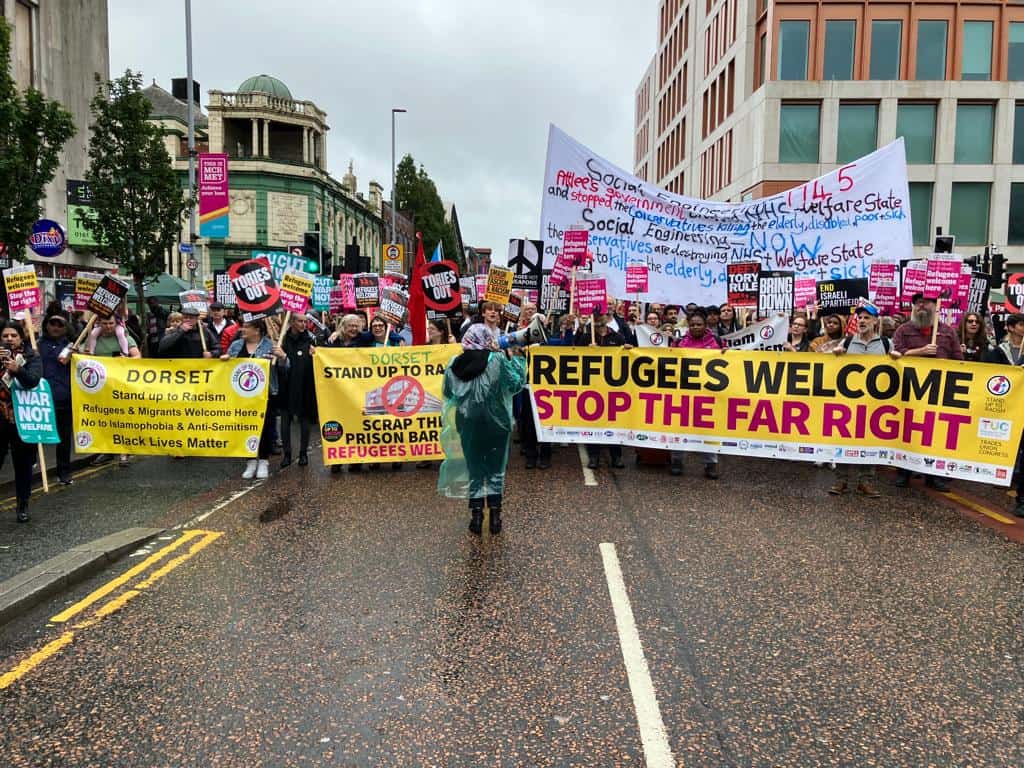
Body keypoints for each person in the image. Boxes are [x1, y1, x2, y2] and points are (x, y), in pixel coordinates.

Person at [437, 323, 527, 535]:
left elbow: (448, 392)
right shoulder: (496, 359)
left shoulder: (453, 363)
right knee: (496, 468)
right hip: (498, 423)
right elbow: (516, 385)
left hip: (468, 422)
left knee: (475, 468)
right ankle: (495, 516)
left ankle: (476, 516)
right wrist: (512, 359)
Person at [892, 292, 963, 491]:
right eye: (917, 303)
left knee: (937, 432)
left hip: (939, 391)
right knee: (908, 430)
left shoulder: (948, 331)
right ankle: (904, 472)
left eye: (926, 302)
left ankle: (935, 476)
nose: (921, 306)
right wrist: (919, 352)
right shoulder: (903, 330)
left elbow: (959, 358)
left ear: (936, 306)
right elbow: (895, 353)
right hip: (910, 390)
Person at [829, 304, 900, 498]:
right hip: (849, 402)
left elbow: (896, 370)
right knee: (845, 437)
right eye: (859, 318)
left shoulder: (886, 344)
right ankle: (841, 479)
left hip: (874, 403)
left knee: (870, 440)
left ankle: (865, 481)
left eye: (867, 318)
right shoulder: (848, 342)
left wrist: (897, 359)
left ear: (875, 322)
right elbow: (832, 367)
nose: (862, 321)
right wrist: (836, 356)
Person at [224, 319, 288, 480]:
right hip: (242, 395)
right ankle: (251, 460)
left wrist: (283, 357)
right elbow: (227, 369)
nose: (242, 330)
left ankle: (263, 461)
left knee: (265, 428)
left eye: (246, 327)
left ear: (257, 330)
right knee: (245, 427)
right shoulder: (236, 346)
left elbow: (286, 367)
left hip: (265, 394)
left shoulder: (271, 345)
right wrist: (224, 361)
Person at [668, 309, 721, 479]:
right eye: (692, 325)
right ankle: (677, 461)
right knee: (680, 427)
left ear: (705, 325)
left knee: (708, 430)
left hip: (708, 394)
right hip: (684, 392)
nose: (696, 327)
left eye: (699, 324)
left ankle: (710, 464)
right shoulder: (680, 342)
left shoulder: (716, 341)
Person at [0, 322, 43, 522]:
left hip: (22, 418)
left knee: (23, 464)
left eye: (13, 335)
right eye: (5, 335)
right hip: (1, 416)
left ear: (21, 338)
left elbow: (34, 380)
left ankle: (22, 504)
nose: (9, 339)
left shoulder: (31, 357)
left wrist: (18, 369)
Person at [575, 312, 629, 469]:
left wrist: (627, 349)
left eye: (602, 316)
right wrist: (586, 350)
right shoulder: (587, 337)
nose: (599, 319)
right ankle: (594, 456)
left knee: (614, 421)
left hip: (613, 388)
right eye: (596, 316)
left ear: (607, 318)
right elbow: (573, 352)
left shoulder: (617, 336)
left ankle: (616, 456)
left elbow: (627, 355)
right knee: (593, 422)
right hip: (593, 387)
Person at [38, 314, 75, 485]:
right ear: (46, 326)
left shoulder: (71, 348)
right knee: (35, 435)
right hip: (41, 399)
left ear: (65, 328)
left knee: (64, 438)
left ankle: (64, 472)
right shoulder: (36, 346)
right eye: (52, 323)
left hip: (64, 399)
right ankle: (30, 465)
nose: (56, 327)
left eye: (60, 324)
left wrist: (79, 356)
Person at [279, 314, 317, 468]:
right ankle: (287, 454)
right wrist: (282, 357)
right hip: (286, 385)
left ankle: (303, 453)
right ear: (292, 322)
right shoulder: (282, 339)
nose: (303, 324)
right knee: (285, 420)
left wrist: (316, 353)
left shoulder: (310, 340)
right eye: (300, 321)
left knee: (305, 420)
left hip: (305, 385)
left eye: (305, 321)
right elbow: (278, 365)